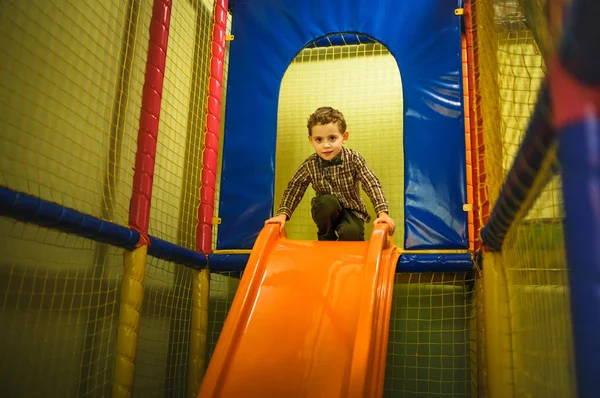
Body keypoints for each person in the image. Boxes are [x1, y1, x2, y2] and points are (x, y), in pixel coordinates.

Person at [265, 106, 395, 241]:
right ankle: (326, 238)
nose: (325, 145)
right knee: (325, 202)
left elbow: (371, 183)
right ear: (311, 140)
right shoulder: (310, 164)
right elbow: (295, 188)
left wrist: (382, 213)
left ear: (344, 137)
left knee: (351, 234)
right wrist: (282, 215)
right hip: (327, 211)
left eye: (332, 138)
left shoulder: (353, 158)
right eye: (319, 139)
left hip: (352, 211)